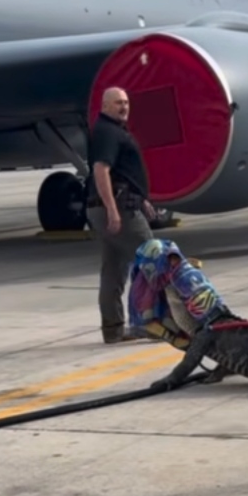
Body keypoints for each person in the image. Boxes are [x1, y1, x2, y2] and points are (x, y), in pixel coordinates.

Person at [86, 86, 157, 344]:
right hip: (118, 209)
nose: (124, 106)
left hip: (117, 205)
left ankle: (113, 330)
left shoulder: (112, 130)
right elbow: (101, 171)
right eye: (117, 103)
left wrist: (142, 200)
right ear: (105, 106)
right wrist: (113, 211)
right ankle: (152, 323)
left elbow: (123, 174)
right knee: (154, 261)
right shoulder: (107, 132)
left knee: (113, 271)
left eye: (126, 102)